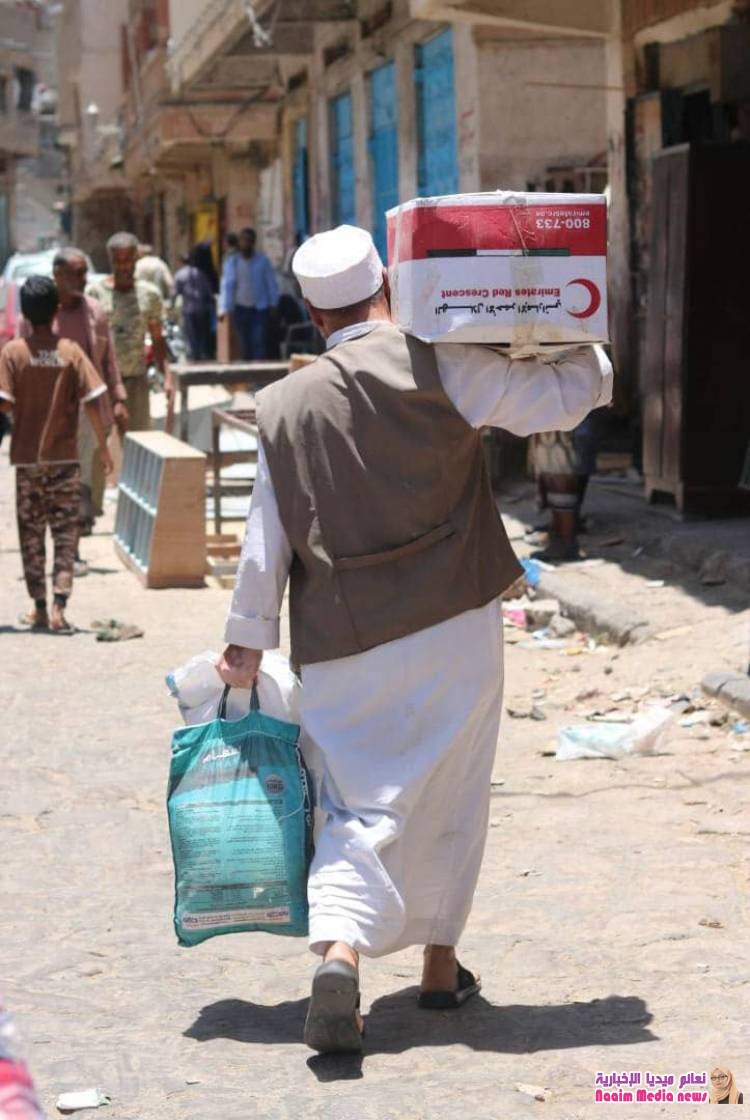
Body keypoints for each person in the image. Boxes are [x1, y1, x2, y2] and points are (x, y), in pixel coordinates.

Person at [217, 225, 613, 1054]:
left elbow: (266, 539)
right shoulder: (444, 364)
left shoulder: (284, 408)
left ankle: (340, 954)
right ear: (388, 288)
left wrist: (246, 644)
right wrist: (587, 350)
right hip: (457, 624)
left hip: (343, 640)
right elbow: (558, 396)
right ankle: (440, 966)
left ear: (312, 315)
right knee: (454, 791)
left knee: (356, 806)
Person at [0, 276, 113, 633]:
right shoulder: (70, 352)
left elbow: (3, 404)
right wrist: (104, 448)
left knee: (31, 538)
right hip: (66, 461)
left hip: (29, 462)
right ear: (56, 311)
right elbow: (94, 402)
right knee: (66, 536)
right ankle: (60, 609)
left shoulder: (13, 353)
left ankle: (38, 606)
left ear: (25, 314)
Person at [20, 247, 128, 561]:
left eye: (83, 272)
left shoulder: (94, 311)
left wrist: (119, 397)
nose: (82, 279)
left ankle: (72, 550)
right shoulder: (38, 313)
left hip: (86, 410)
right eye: (75, 273)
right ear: (57, 276)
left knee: (76, 479)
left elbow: (108, 360)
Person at [87, 232, 173, 432]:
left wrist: (167, 376)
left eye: (128, 260)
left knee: (139, 442)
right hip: (103, 383)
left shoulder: (149, 295)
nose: (124, 266)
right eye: (118, 261)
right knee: (101, 447)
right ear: (111, 260)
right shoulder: (94, 294)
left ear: (137, 259)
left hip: (136, 382)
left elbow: (158, 340)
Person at [218, 227, 279, 360]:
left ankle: (259, 379)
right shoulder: (232, 263)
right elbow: (227, 286)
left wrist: (273, 304)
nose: (246, 243)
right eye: (243, 240)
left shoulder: (263, 261)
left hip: (259, 308)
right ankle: (249, 376)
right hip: (241, 309)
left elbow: (271, 283)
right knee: (244, 344)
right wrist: (223, 308)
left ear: (253, 242)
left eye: (249, 240)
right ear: (239, 242)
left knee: (259, 342)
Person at [174, 249, 215, 360]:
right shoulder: (200, 273)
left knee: (191, 333)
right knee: (202, 332)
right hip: (202, 307)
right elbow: (208, 290)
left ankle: (194, 354)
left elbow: (176, 292)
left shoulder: (180, 274)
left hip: (189, 308)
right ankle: (202, 353)